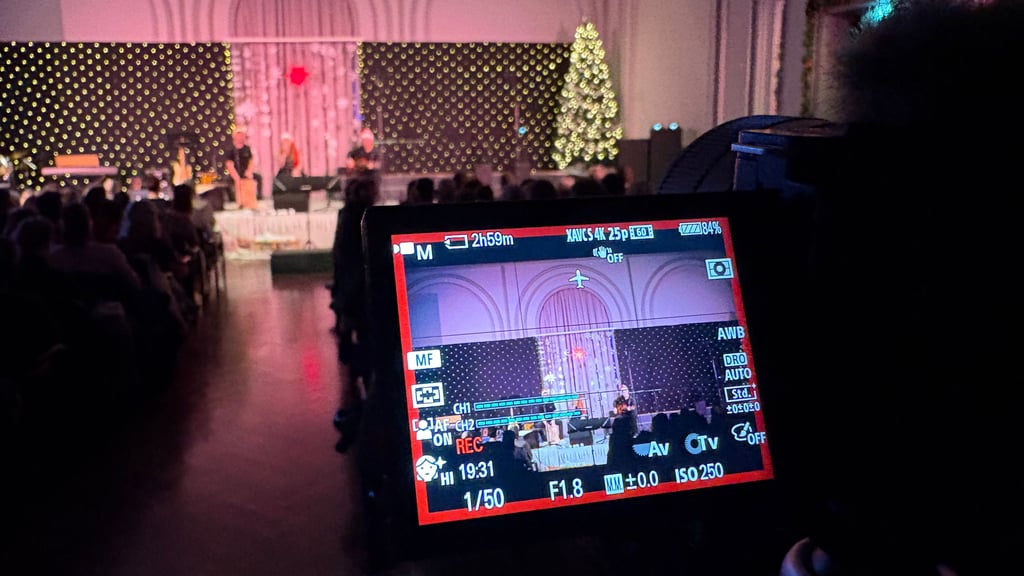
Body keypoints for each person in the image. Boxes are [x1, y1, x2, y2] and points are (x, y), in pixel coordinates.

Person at [224, 128, 261, 200]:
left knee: (258, 177)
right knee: (226, 180)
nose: (241, 137)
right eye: (239, 135)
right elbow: (229, 165)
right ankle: (233, 200)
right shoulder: (230, 149)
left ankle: (258, 198)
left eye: (242, 135)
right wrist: (236, 178)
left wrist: (249, 171)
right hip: (235, 173)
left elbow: (251, 161)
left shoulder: (247, 149)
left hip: (245, 172)